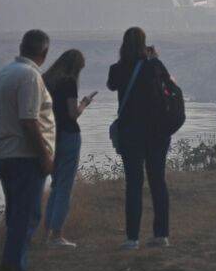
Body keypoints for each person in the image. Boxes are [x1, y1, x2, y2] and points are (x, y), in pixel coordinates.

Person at [0, 29, 55, 271]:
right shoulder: (30, 76)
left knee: (16, 219)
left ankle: (12, 267)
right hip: (25, 157)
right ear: (45, 52)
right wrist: (45, 155)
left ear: (21, 46)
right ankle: (15, 270)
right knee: (25, 219)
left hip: (5, 154)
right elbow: (29, 121)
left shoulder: (5, 73)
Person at [107, 27, 172, 250]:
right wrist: (153, 58)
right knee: (157, 181)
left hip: (130, 133)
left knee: (133, 183)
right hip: (157, 133)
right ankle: (161, 234)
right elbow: (169, 83)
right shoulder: (153, 66)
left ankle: (132, 238)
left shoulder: (117, 69)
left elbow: (111, 84)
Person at [42, 49, 94, 248]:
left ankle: (46, 234)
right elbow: (72, 114)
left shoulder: (47, 81)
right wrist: (84, 104)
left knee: (55, 185)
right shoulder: (69, 83)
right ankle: (57, 235)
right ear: (76, 68)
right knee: (65, 186)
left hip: (52, 136)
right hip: (69, 136)